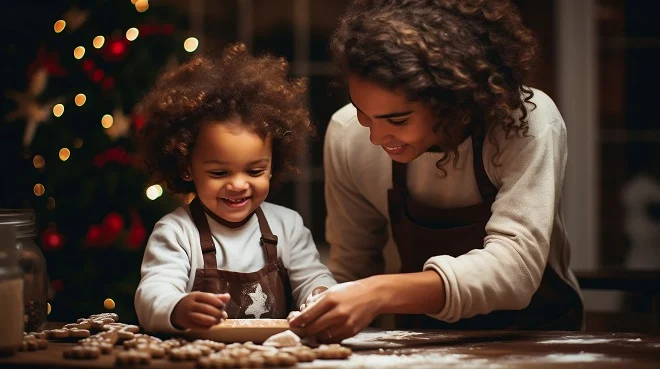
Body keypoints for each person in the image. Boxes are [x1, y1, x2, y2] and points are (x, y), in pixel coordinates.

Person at [289, 0, 584, 341]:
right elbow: (352, 266)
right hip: (423, 336)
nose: (375, 136)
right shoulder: (347, 135)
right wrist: (322, 303)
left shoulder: (523, 122)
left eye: (398, 120)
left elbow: (514, 271)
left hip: (536, 336)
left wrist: (380, 292)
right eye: (362, 111)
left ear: (454, 101)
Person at [134, 43, 336, 333]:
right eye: (219, 172)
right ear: (186, 168)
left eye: (255, 171)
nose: (239, 184)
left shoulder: (287, 226)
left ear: (272, 164)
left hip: (277, 358)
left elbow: (313, 278)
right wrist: (176, 308)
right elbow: (153, 293)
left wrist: (319, 296)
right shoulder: (176, 232)